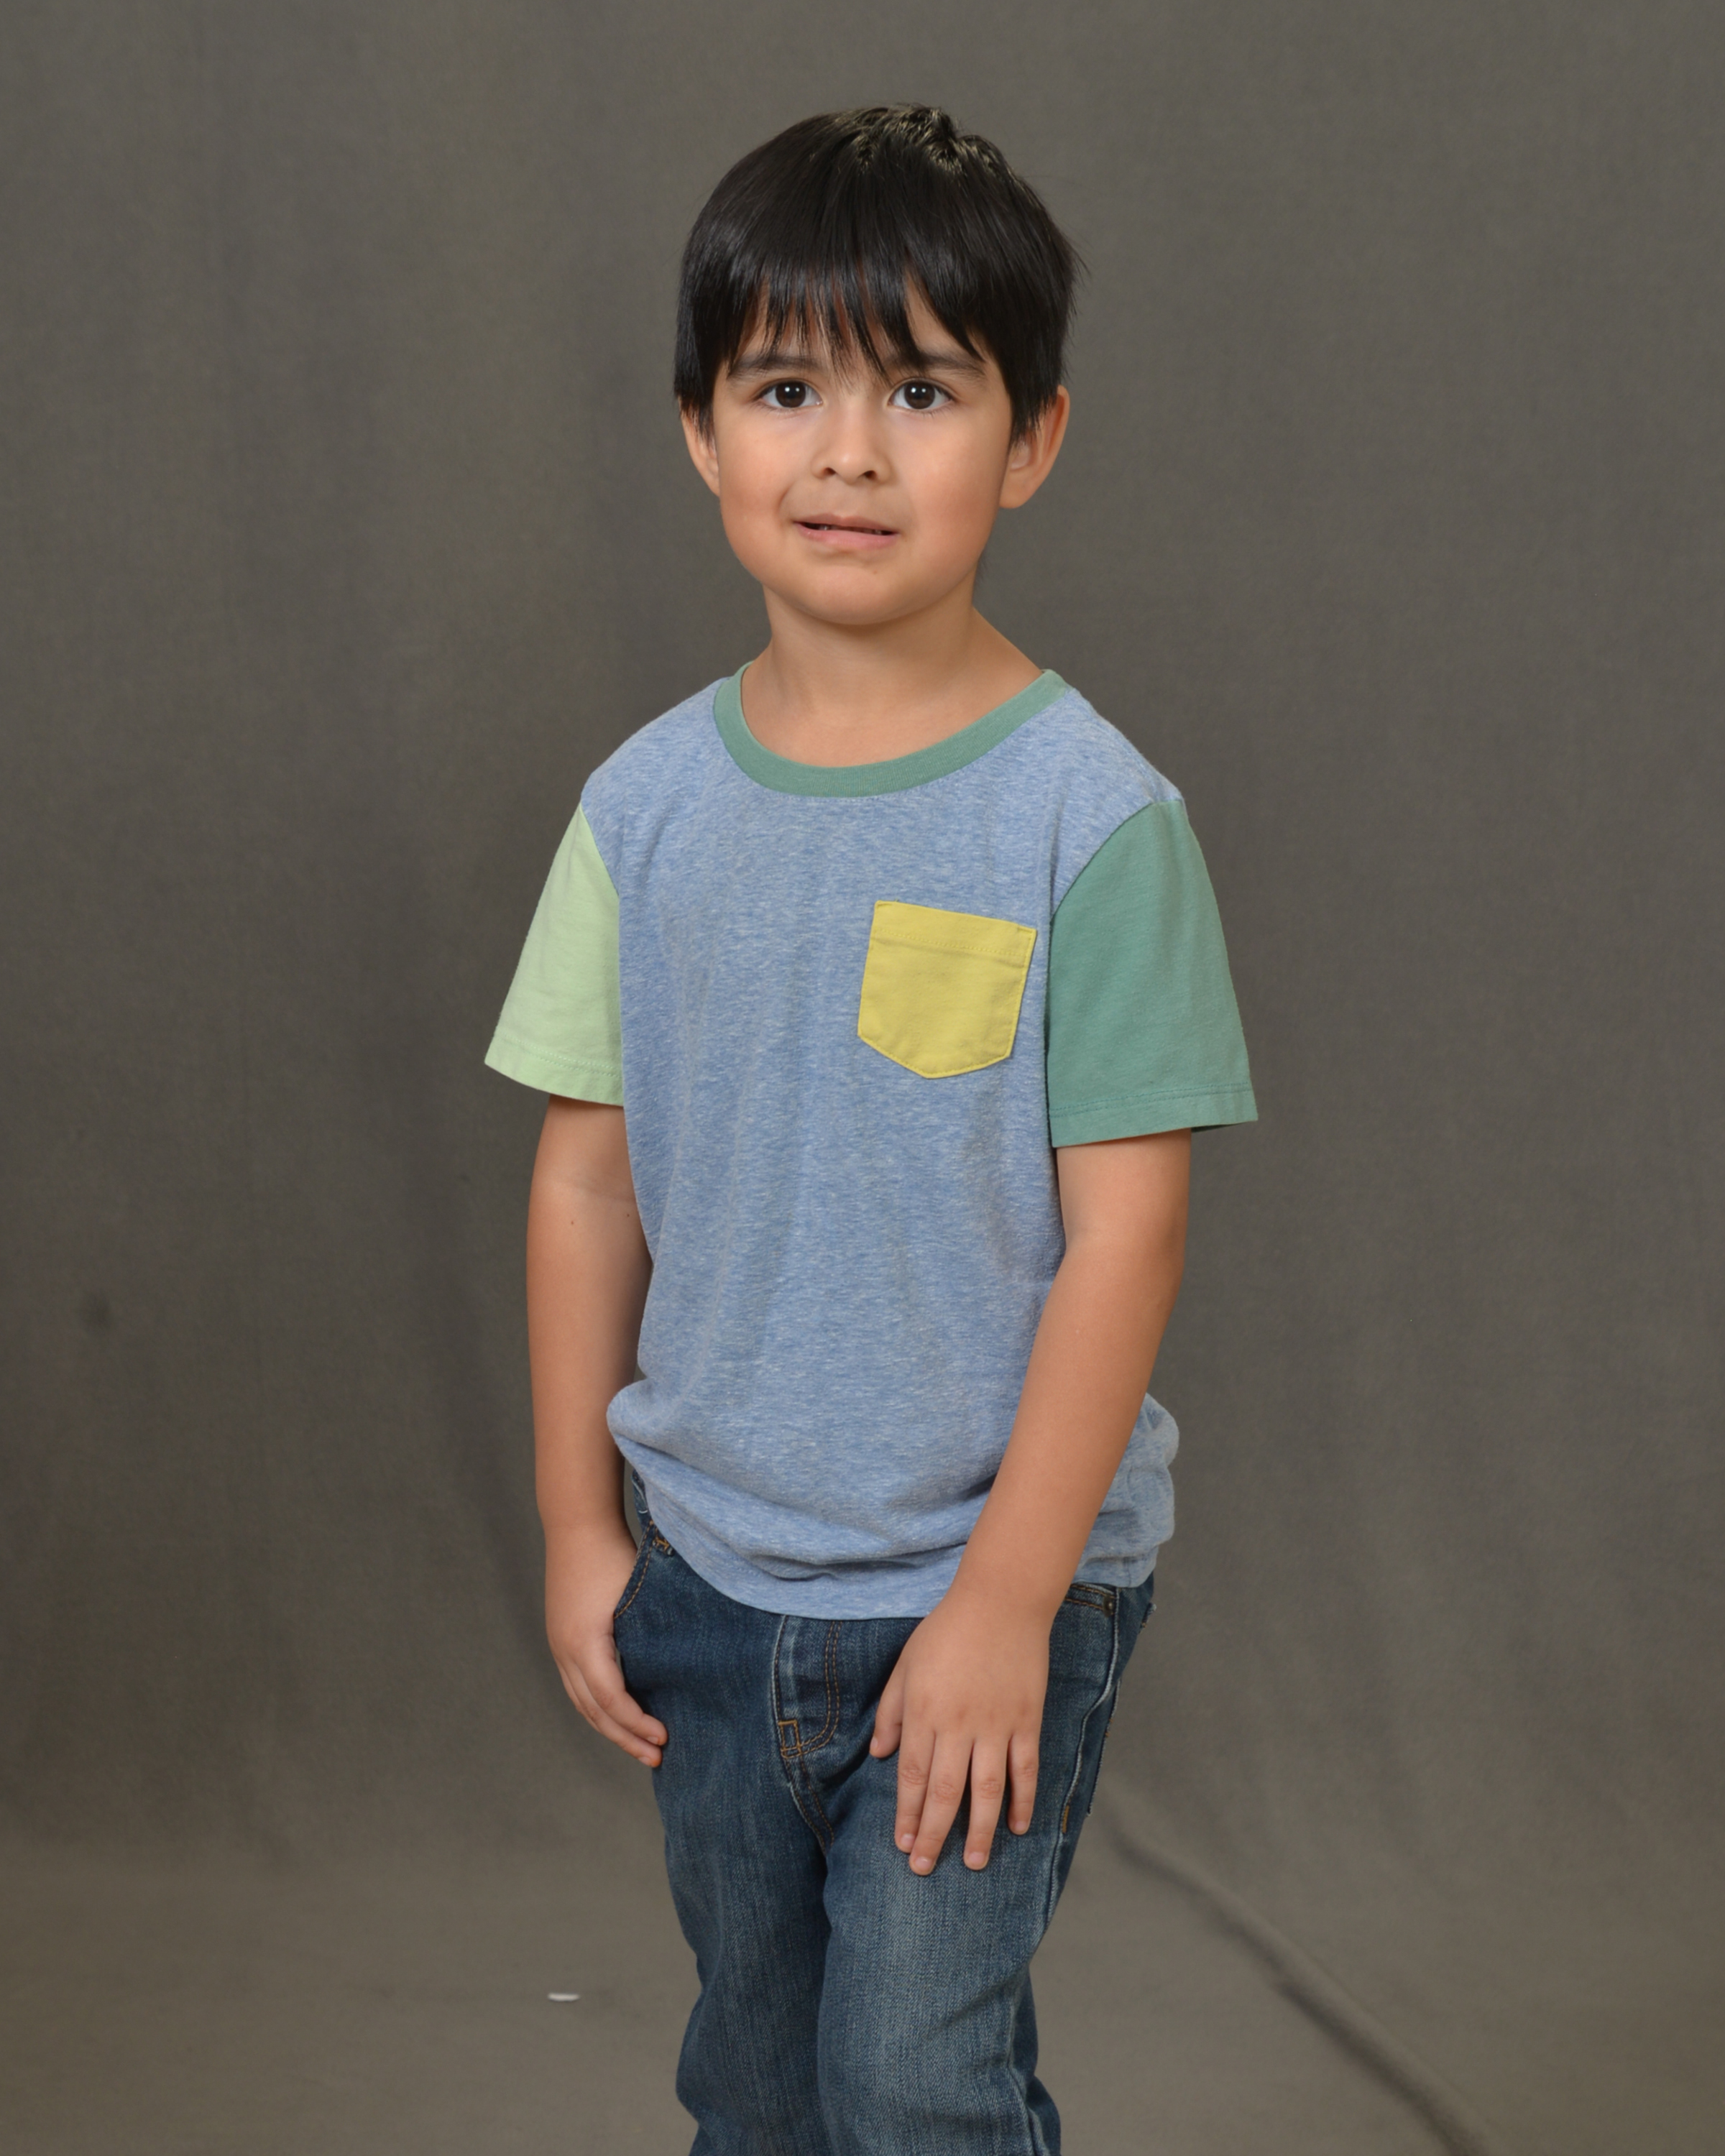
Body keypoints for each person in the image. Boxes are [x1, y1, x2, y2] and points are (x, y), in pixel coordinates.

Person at [485, 104, 1256, 2155]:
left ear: (1032, 439)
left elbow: (1128, 1238)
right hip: (713, 1570)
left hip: (987, 1581)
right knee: (757, 2080)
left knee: (913, 2084)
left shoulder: (1092, 822)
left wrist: (1004, 1602)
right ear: (698, 430)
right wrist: (579, 1525)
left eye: (920, 391)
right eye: (785, 391)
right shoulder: (640, 812)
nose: (847, 452)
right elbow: (585, 1180)